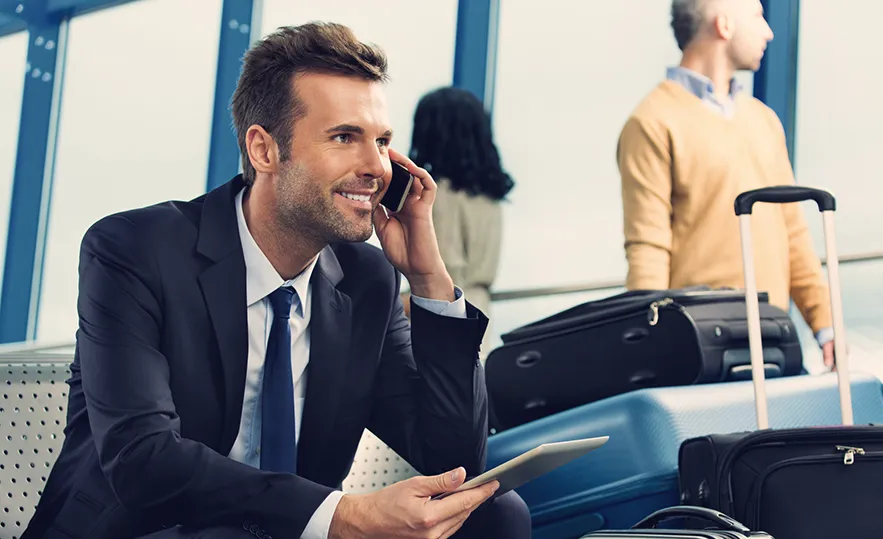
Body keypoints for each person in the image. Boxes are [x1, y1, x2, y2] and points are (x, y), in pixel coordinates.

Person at [22, 22, 530, 539]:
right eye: (344, 137)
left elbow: (453, 462)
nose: (376, 167)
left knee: (496, 512)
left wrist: (428, 278)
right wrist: (345, 515)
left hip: (287, 528)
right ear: (264, 150)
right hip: (147, 529)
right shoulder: (135, 250)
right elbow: (144, 460)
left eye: (382, 141)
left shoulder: (366, 280)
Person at [616, 0, 836, 368]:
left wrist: (826, 325)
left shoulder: (763, 120)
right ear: (724, 25)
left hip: (775, 338)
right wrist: (649, 349)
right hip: (699, 346)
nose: (769, 32)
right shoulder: (652, 122)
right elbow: (648, 247)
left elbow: (793, 233)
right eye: (757, 16)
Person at [402, 87, 514, 358]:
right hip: (480, 317)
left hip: (441, 326)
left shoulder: (438, 197)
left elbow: (443, 282)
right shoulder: (490, 197)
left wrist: (385, 302)